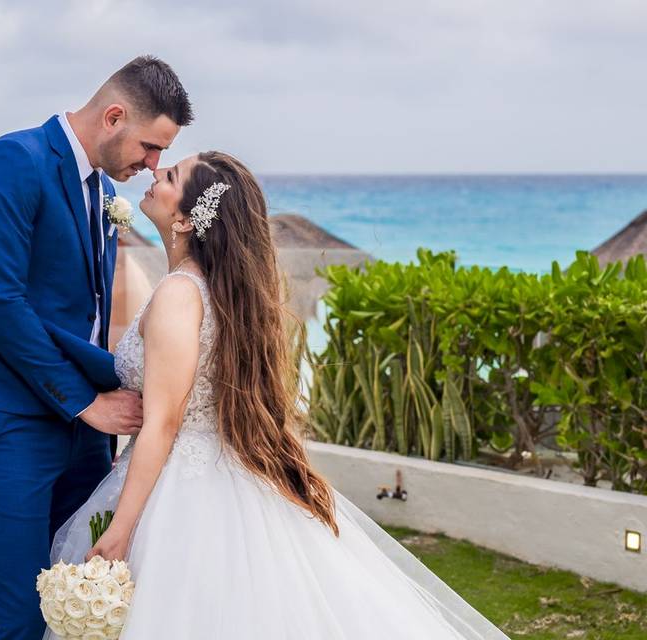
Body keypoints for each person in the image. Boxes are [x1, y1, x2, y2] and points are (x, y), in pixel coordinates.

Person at [48, 151, 511, 639]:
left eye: (169, 176)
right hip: (223, 475)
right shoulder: (216, 292)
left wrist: (120, 529)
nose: (153, 175)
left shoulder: (179, 294)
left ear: (185, 218)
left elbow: (163, 423)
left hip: (179, 491)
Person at [0, 56, 194, 640]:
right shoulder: (13, 162)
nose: (153, 165)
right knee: (21, 617)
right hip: (8, 421)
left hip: (84, 432)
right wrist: (87, 403)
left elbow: (77, 324)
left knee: (89, 605)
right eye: (150, 147)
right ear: (115, 116)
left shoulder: (98, 186)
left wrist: (134, 383)